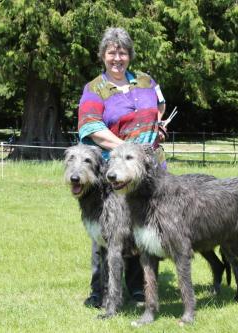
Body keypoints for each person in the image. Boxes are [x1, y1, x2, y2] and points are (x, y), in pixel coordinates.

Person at [77, 27, 168, 308]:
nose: (118, 58)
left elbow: (160, 107)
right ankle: (100, 290)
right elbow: (91, 127)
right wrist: (125, 150)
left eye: (123, 52)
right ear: (103, 55)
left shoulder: (146, 80)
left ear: (129, 55)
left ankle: (142, 288)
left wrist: (159, 126)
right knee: (109, 230)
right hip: (114, 172)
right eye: (112, 52)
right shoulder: (94, 89)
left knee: (145, 227)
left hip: (151, 170)